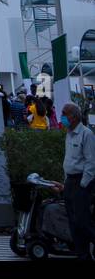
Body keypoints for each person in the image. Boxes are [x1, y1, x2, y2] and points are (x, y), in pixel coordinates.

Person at [59, 101, 94, 260]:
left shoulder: (86, 134)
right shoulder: (69, 133)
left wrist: (83, 185)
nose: (62, 116)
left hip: (81, 182)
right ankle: (82, 254)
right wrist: (65, 182)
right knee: (73, 222)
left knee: (82, 221)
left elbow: (91, 162)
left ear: (73, 117)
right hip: (70, 182)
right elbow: (70, 160)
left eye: (64, 113)